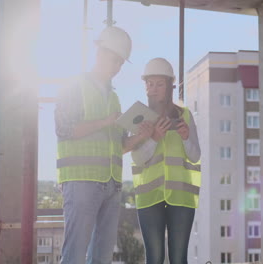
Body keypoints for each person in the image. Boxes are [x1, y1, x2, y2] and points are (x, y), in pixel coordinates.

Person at [55, 26, 151, 264]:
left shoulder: (115, 97)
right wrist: (105, 121)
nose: (117, 67)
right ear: (99, 52)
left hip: (111, 185)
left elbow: (117, 147)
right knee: (75, 254)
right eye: (114, 60)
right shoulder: (74, 87)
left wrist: (140, 136)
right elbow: (64, 130)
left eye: (121, 63)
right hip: (81, 182)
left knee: (102, 257)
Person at [131, 58, 201, 264]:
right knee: (155, 259)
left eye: (159, 84)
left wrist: (186, 137)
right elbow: (136, 158)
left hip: (182, 198)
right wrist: (154, 139)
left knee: (179, 259)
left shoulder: (185, 115)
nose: (153, 89)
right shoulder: (138, 116)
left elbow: (196, 156)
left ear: (171, 86)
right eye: (149, 84)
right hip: (149, 198)